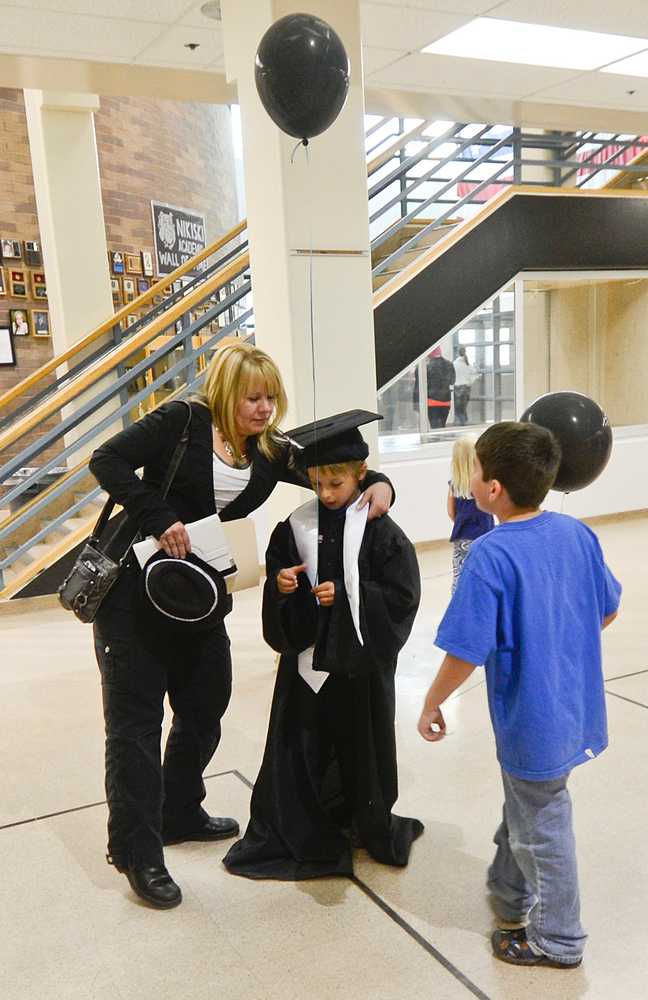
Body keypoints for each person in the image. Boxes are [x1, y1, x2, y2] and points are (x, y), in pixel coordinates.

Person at [88, 342, 394, 909]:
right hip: (134, 596)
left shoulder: (268, 450)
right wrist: (159, 514)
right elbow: (104, 460)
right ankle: (139, 852)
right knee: (133, 728)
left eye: (271, 397)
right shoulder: (181, 422)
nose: (264, 408)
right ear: (227, 393)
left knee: (206, 705)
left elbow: (334, 471)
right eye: (253, 397)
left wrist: (379, 483)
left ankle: (177, 809)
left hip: (197, 595)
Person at [418, 421, 621, 970]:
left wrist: (432, 701)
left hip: (534, 720)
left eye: (478, 470)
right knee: (530, 804)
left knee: (543, 825)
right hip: (575, 706)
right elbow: (608, 607)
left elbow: (465, 649)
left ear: (492, 489)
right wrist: (559, 643)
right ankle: (509, 894)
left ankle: (559, 939)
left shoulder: (490, 554)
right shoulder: (576, 533)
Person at [223, 411, 423, 880]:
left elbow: (400, 597)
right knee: (302, 747)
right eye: (317, 484)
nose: (327, 493)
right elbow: (278, 578)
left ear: (361, 472)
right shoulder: (295, 527)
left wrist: (350, 597)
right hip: (307, 665)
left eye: (336, 482)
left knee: (363, 749)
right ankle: (303, 826)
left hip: (360, 668)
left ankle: (364, 821)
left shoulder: (380, 530)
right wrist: (285, 587)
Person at [447, 436, 493, 592]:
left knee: (460, 575)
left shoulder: (454, 485)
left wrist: (461, 521)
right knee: (483, 573)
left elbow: (451, 512)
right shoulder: (483, 483)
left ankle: (458, 604)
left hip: (462, 537)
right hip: (484, 535)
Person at [426, 346, 455, 429]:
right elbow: (452, 381)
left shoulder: (428, 366)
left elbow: (425, 384)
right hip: (446, 401)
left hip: (432, 401)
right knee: (442, 427)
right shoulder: (449, 364)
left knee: (434, 428)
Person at [452, 347, 478, 426]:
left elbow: (451, 376)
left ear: (457, 353)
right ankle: (463, 421)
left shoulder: (454, 364)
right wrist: (470, 382)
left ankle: (462, 422)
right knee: (463, 408)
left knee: (458, 408)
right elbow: (475, 373)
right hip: (466, 388)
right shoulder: (467, 365)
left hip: (457, 388)